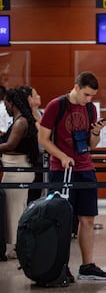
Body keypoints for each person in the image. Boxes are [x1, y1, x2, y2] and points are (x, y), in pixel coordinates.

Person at [38, 71, 106, 281]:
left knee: (87, 218)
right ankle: (58, 265)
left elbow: (92, 145)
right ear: (76, 87)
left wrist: (96, 132)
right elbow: (43, 139)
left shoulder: (89, 109)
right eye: (86, 95)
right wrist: (61, 156)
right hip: (62, 170)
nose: (88, 100)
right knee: (61, 220)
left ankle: (87, 265)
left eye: (92, 97)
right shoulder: (56, 106)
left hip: (85, 167)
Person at [1, 88, 38, 260]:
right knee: (17, 208)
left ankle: (18, 246)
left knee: (15, 210)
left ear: (12, 103)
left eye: (6, 103)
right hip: (16, 168)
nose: (5, 107)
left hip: (17, 170)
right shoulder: (20, 120)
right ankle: (18, 244)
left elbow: (10, 145)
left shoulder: (21, 122)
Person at [19, 85, 45, 204]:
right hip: (33, 158)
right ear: (29, 99)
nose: (39, 96)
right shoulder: (25, 119)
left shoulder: (42, 113)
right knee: (31, 194)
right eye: (36, 95)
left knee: (41, 193)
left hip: (44, 158)